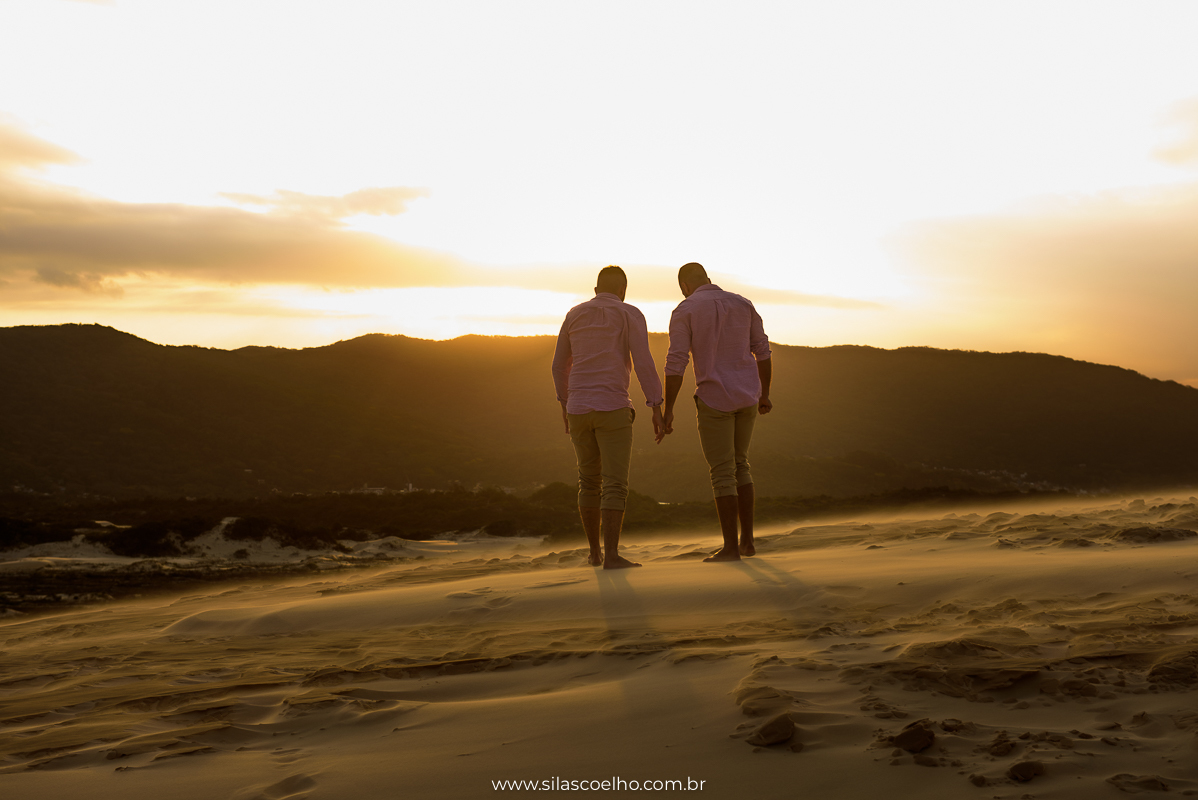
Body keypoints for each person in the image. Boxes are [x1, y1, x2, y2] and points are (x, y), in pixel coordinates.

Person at [551, 266, 665, 569]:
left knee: (588, 481)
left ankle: (594, 553)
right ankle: (612, 555)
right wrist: (656, 406)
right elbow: (643, 362)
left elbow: (558, 365)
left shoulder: (574, 314)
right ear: (623, 290)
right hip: (612, 406)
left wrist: (565, 404)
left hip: (578, 408)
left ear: (595, 289)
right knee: (614, 484)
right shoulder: (629, 314)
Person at [659, 262, 772, 562]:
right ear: (708, 279)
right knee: (741, 465)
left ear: (684, 286)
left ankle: (730, 548)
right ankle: (747, 543)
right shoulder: (743, 303)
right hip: (748, 395)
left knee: (722, 472)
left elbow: (676, 361)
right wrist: (765, 394)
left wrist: (669, 409)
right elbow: (762, 349)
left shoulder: (685, 310)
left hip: (714, 398)